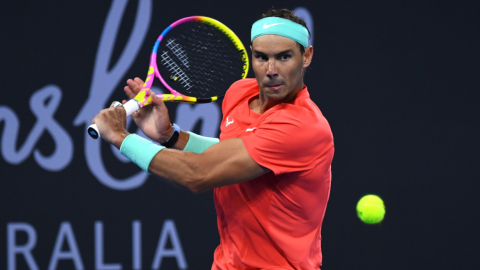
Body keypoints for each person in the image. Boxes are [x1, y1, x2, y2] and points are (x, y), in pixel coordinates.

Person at [93, 8, 334, 270]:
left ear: (306, 56)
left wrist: (120, 136)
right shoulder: (239, 93)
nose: (271, 70)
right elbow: (233, 153)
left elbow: (197, 175)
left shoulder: (302, 126)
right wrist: (171, 136)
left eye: (284, 57)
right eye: (261, 57)